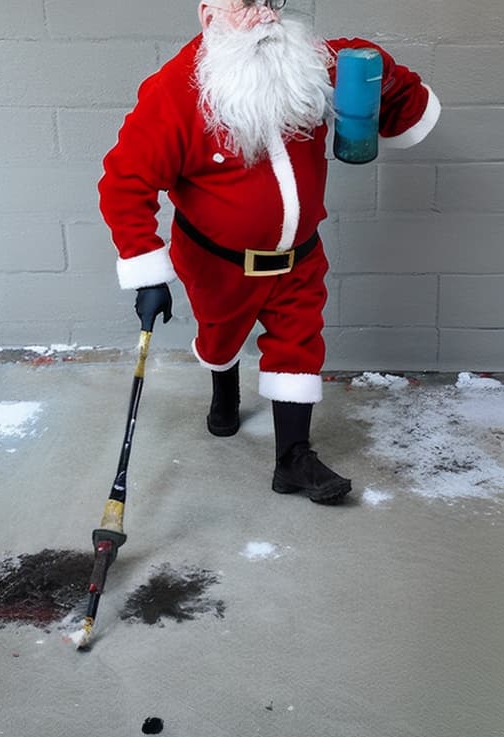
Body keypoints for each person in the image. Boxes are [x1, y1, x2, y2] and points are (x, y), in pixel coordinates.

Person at [98, 0, 440, 505]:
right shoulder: (175, 92)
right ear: (208, 13)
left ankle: (293, 459)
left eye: (271, 1)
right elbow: (125, 182)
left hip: (299, 258)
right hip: (215, 262)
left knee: (298, 344)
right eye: (245, 4)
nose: (264, 15)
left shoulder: (313, 65)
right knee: (220, 337)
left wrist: (380, 75)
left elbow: (400, 101)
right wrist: (147, 270)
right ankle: (224, 390)